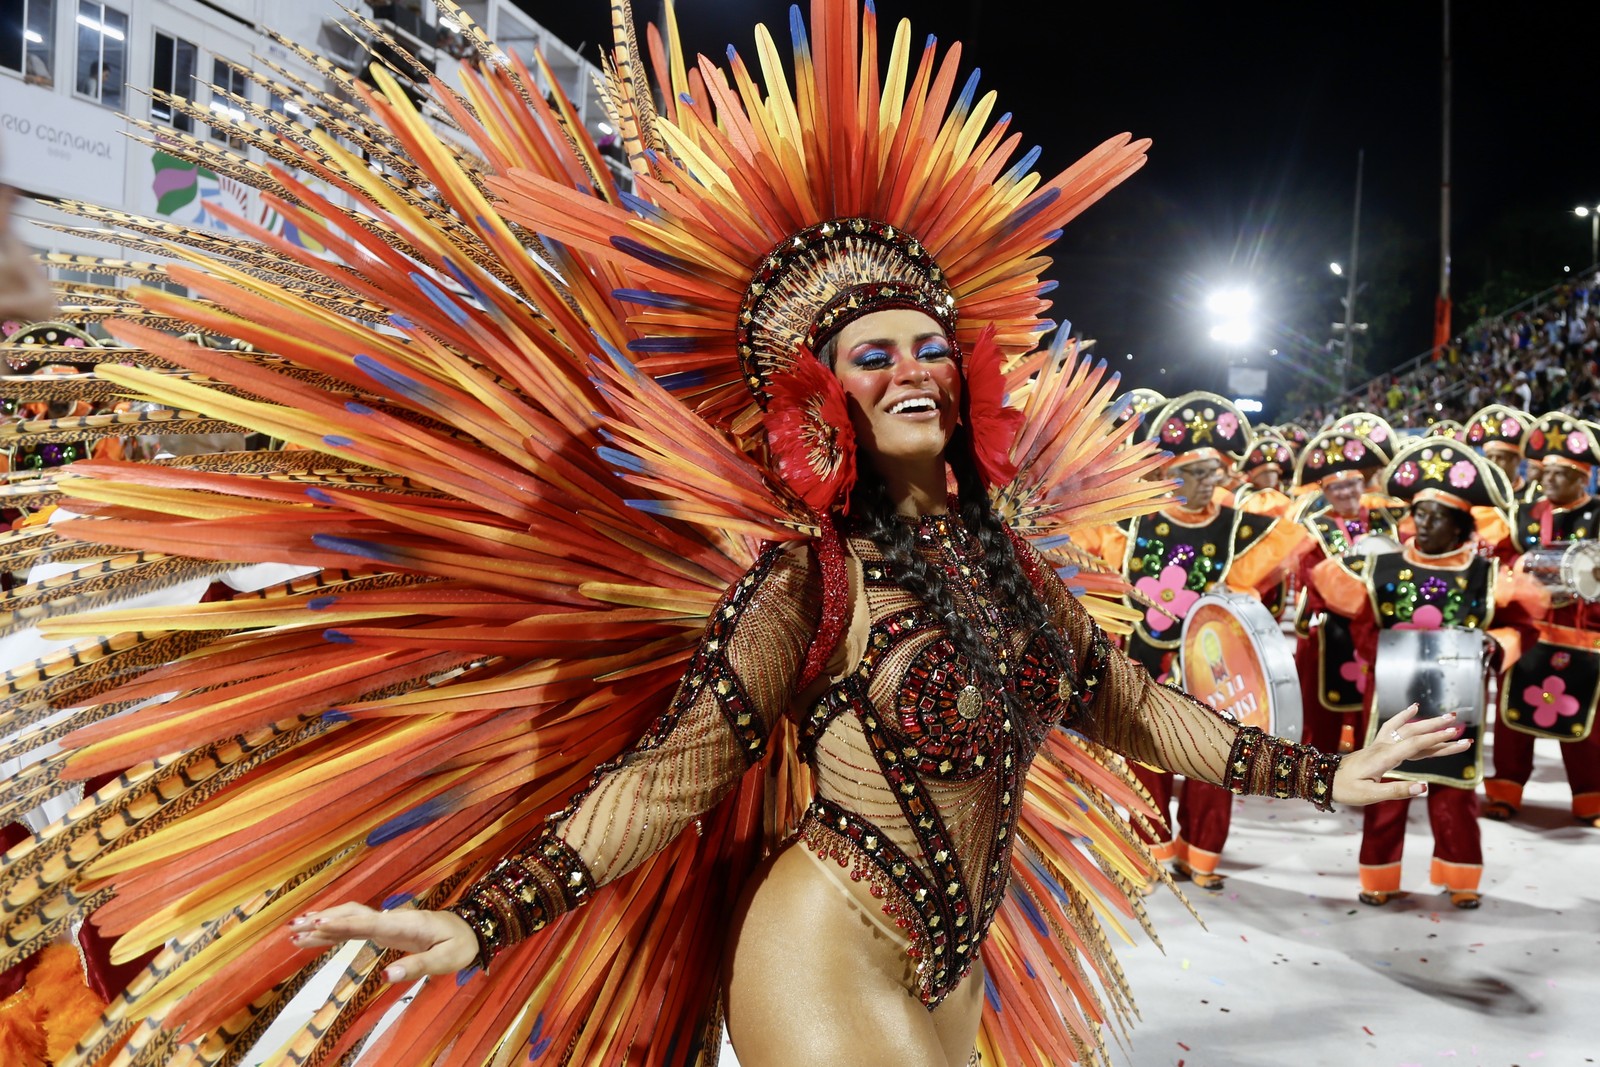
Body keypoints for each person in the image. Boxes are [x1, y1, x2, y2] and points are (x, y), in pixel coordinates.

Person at [0, 6, 1469, 1066]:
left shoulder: (1011, 570)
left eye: (927, 344)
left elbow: (1138, 707)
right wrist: (485, 918)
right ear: (818, 395)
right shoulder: (805, 577)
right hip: (824, 936)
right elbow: (676, 770)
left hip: (959, 960)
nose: (908, 366)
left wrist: (1327, 770)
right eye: (871, 349)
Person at [1071, 394, 1311, 890]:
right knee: (1146, 757)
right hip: (1144, 661)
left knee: (1213, 757)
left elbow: (1289, 539)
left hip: (1209, 666)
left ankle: (1201, 856)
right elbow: (1077, 540)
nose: (1209, 482)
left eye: (1214, 471)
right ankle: (1148, 854)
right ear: (1165, 474)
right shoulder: (1131, 520)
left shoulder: (1235, 527)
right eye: (1196, 472)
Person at [1311, 438, 1543, 908]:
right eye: (1420, 513)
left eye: (1438, 515)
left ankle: (1460, 878)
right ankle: (1379, 877)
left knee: (1454, 789)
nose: (1425, 523)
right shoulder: (1382, 568)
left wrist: (1492, 645)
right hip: (1394, 696)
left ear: (1460, 523)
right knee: (1384, 785)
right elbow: (1361, 626)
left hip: (1459, 699)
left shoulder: (1487, 574)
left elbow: (1525, 623)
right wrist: (1394, 652)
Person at [1485, 412, 1600, 826]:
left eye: (1559, 474)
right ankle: (1505, 791)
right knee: (1512, 719)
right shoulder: (1524, 514)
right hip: (1527, 631)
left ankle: (1591, 799)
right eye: (1546, 472)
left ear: (1582, 478)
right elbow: (1500, 559)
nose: (1547, 480)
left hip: (1582, 633)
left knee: (1587, 721)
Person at [1292, 425, 1404, 753]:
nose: (1346, 493)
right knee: (1322, 707)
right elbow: (1311, 576)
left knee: (1375, 701)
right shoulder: (1312, 528)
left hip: (1380, 626)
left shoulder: (1389, 519)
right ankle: (1318, 765)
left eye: (1352, 483)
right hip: (1330, 626)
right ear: (1324, 491)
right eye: (1336, 487)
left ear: (1363, 482)